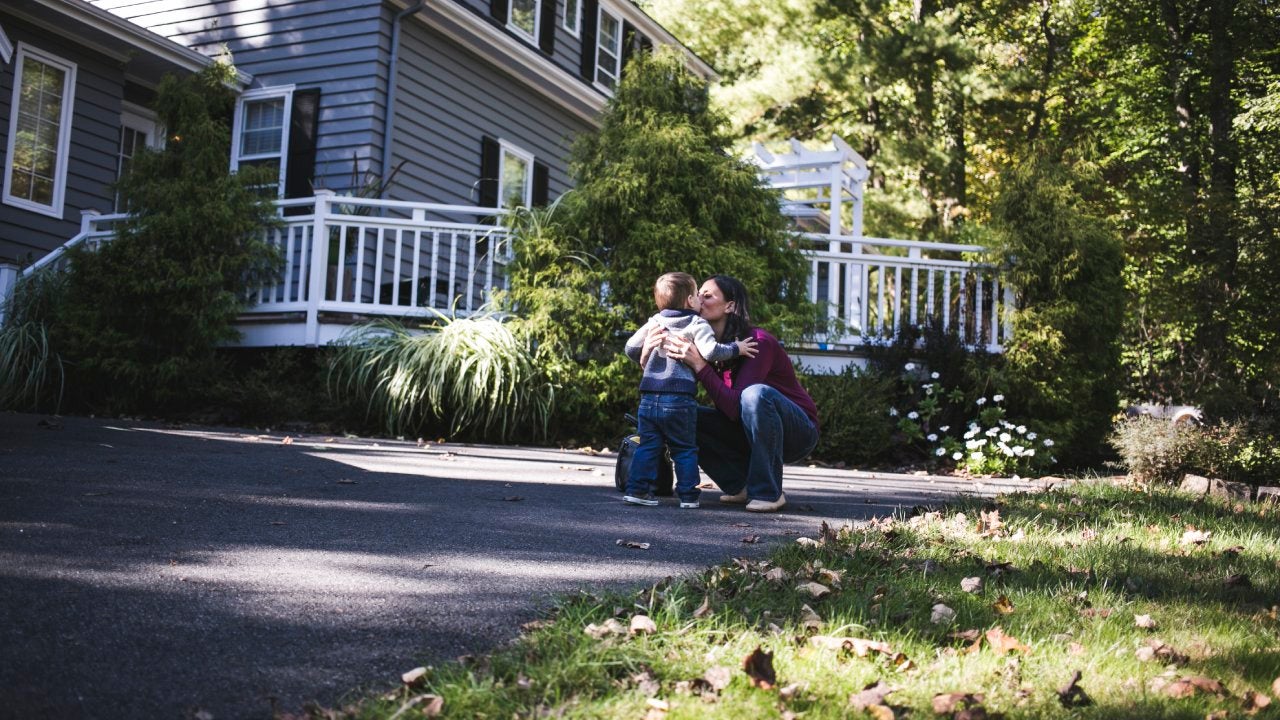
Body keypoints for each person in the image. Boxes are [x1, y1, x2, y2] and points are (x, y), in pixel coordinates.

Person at [655, 275, 819, 513]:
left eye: (707, 295)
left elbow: (737, 407)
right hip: (746, 428)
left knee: (755, 394)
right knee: (679, 413)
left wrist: (700, 366)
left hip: (797, 431)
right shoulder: (705, 345)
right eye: (698, 294)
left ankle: (768, 492)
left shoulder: (757, 342)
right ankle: (740, 485)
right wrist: (650, 348)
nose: (698, 299)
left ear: (730, 306)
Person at [622, 272, 758, 508]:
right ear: (688, 301)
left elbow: (630, 348)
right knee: (684, 449)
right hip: (679, 399)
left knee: (648, 445)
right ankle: (688, 496)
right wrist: (736, 348)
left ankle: (637, 491)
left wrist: (647, 348)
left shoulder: (654, 322)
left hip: (648, 397)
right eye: (697, 295)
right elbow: (711, 352)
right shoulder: (696, 323)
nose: (700, 299)